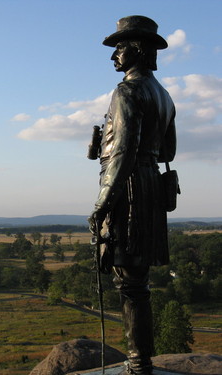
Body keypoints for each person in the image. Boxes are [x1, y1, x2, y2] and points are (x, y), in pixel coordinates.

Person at [88, 15, 176, 375]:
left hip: (128, 191)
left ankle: (138, 364)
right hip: (150, 184)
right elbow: (167, 151)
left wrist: (102, 202)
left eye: (119, 48)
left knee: (130, 284)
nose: (113, 57)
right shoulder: (164, 95)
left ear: (137, 50)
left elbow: (123, 152)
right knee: (138, 283)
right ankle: (141, 361)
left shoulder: (127, 91)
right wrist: (102, 144)